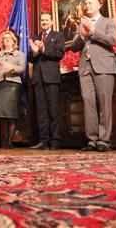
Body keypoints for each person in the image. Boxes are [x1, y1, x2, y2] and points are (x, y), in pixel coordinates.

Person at [70, 0, 116, 152]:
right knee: (88, 102)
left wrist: (93, 31)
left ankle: (104, 140)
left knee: (104, 102)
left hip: (104, 66)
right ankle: (92, 140)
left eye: (90, 3)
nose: (87, 5)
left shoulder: (109, 21)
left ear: (99, 5)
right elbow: (74, 47)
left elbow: (112, 40)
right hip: (85, 67)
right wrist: (83, 34)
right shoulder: (81, 24)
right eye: (86, 3)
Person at [28, 13, 65, 150]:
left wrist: (43, 49)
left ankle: (55, 141)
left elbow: (60, 54)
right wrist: (34, 52)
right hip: (38, 78)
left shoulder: (58, 36)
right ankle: (43, 141)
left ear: (52, 22)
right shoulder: (36, 37)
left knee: (53, 110)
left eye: (46, 20)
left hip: (52, 77)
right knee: (41, 111)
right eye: (42, 19)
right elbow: (30, 58)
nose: (44, 22)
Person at [0, 31, 26, 149]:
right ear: (2, 42)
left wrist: (13, 67)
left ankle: (9, 142)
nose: (6, 40)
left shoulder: (20, 54)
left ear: (14, 41)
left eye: (9, 38)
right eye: (4, 39)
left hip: (13, 85)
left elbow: (22, 68)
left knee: (12, 114)